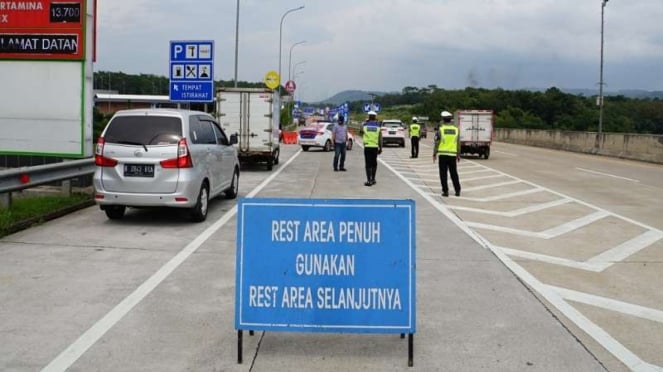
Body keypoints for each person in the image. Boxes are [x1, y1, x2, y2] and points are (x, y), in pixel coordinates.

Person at [433, 110, 461, 197]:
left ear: (443, 120)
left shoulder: (440, 130)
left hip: (443, 155)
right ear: (450, 120)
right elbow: (458, 143)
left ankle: (445, 191)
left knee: (443, 173)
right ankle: (457, 190)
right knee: (454, 173)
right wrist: (458, 154)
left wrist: (434, 153)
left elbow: (437, 142)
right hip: (452, 155)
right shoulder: (456, 130)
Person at [360, 111, 382, 186]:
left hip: (367, 146)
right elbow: (380, 138)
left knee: (368, 164)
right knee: (374, 163)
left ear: (369, 117)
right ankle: (373, 179)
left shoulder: (365, 125)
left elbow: (360, 132)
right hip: (375, 147)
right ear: (375, 117)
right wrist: (381, 148)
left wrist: (365, 122)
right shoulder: (378, 126)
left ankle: (369, 180)